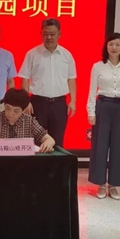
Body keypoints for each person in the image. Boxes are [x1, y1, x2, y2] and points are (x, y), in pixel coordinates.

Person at [87, 32, 120, 200]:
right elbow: (91, 91)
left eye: (117, 44)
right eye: (111, 44)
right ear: (106, 47)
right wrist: (91, 112)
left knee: (119, 148)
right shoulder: (98, 66)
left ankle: (114, 185)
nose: (114, 47)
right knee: (100, 147)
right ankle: (101, 184)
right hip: (103, 106)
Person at [19, 18, 77, 148]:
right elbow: (25, 78)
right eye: (46, 34)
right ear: (41, 34)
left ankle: (57, 163)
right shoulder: (32, 54)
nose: (49, 37)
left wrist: (73, 101)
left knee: (57, 141)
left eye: (52, 34)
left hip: (59, 104)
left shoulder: (66, 55)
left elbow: (71, 79)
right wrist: (26, 101)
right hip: (37, 103)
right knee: (35, 141)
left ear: (59, 34)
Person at [0, 88, 56, 153]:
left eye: (16, 111)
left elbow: (50, 140)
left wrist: (47, 144)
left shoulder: (29, 121)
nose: (10, 113)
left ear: (23, 111)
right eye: (8, 108)